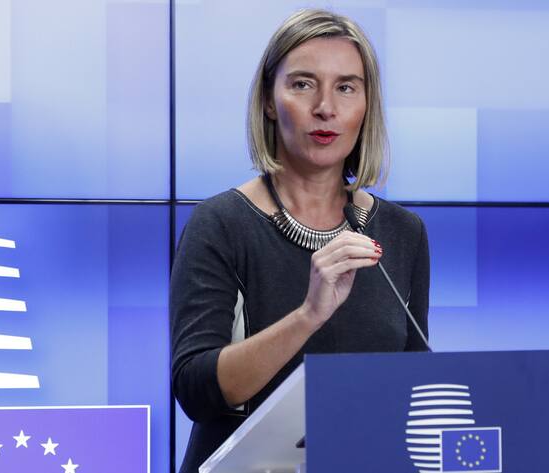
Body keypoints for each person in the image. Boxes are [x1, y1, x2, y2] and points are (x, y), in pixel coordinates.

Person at [170, 9, 429, 472]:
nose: (326, 107)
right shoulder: (221, 223)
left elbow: (412, 387)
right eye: (303, 84)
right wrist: (310, 315)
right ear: (270, 100)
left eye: (346, 87)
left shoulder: (403, 232)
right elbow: (196, 390)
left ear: (367, 104)